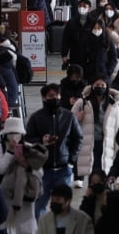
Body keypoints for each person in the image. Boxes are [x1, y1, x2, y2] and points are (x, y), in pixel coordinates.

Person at [25, 83, 83, 219]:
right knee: (39, 206)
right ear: (44, 98)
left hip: (63, 169)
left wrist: (71, 160)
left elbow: (78, 138)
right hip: (43, 170)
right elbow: (27, 140)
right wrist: (41, 140)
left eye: (57, 95)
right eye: (51, 96)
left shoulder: (69, 116)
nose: (55, 98)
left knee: (63, 207)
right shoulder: (36, 117)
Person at [0, 117, 47, 234]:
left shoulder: (30, 148)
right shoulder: (0, 148)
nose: (14, 136)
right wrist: (10, 153)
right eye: (10, 133)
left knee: (26, 227)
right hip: (7, 194)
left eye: (17, 133)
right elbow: (0, 169)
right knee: (8, 226)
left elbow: (40, 172)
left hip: (26, 192)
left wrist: (26, 164)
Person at [71, 79, 119, 184]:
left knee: (105, 171)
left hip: (106, 142)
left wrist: (117, 144)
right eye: (97, 84)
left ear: (107, 86)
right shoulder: (82, 102)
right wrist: (77, 118)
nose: (100, 87)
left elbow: (117, 125)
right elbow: (70, 121)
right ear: (92, 86)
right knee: (93, 173)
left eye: (103, 85)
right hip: (89, 142)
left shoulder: (113, 104)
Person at [61, 0, 95, 71]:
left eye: (84, 6)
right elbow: (66, 40)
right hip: (75, 53)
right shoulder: (71, 22)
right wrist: (64, 55)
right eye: (79, 6)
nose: (81, 8)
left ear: (89, 9)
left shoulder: (94, 22)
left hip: (90, 55)